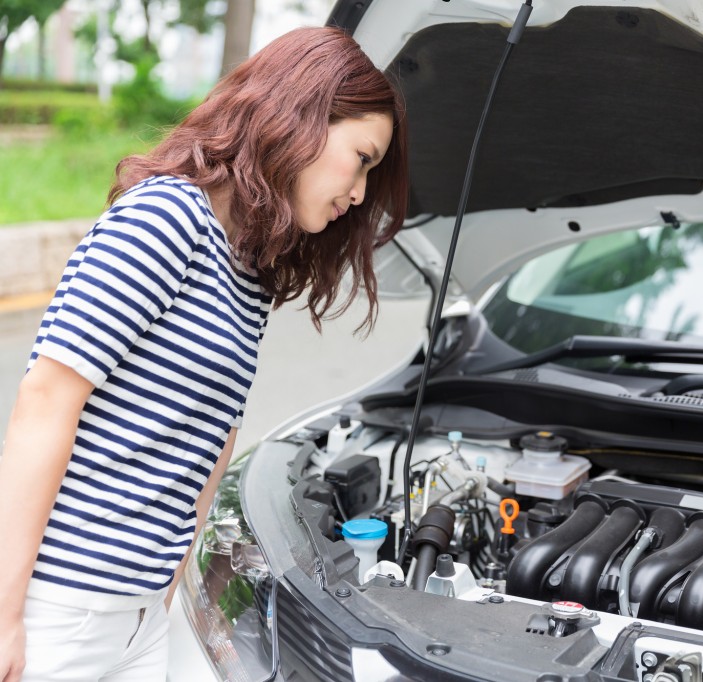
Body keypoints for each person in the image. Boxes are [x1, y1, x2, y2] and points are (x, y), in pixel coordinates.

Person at [0, 26, 408, 682]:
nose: (360, 193)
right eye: (362, 157)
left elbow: (214, 439)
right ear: (302, 115)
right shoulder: (166, 220)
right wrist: (5, 613)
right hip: (62, 609)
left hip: (140, 616)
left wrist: (170, 585)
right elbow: (46, 398)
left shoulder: (248, 270)